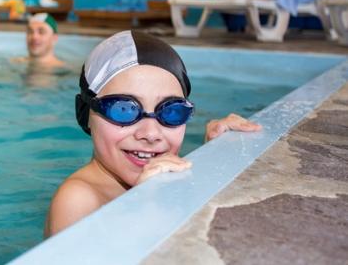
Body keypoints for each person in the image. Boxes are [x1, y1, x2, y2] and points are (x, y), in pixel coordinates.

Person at [44, 30, 262, 237]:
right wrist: (140, 208)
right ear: (85, 113)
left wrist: (211, 156)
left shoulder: (159, 172)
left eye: (171, 111)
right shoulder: (78, 199)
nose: (151, 133)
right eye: (124, 109)